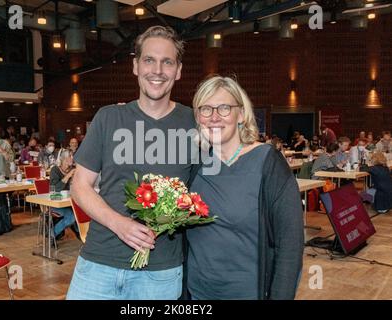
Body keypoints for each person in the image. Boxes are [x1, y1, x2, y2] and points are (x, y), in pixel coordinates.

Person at [66, 26, 196, 300]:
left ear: (179, 70)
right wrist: (119, 224)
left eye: (167, 62)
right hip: (99, 263)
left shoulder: (195, 123)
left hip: (160, 272)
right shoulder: (109, 118)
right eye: (149, 60)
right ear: (136, 66)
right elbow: (80, 186)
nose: (157, 70)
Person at [186, 76, 303, 300]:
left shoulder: (268, 163)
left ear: (241, 114)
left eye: (224, 108)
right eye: (206, 109)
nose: (214, 117)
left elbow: (290, 246)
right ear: (198, 117)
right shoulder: (194, 164)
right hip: (198, 294)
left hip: (248, 293)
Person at [49, 149, 79, 241]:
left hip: (70, 203)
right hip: (55, 203)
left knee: (84, 212)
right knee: (71, 217)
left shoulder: (74, 170)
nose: (72, 158)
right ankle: (52, 234)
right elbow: (55, 189)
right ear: (64, 159)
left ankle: (82, 236)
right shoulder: (55, 170)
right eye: (70, 156)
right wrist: (68, 176)